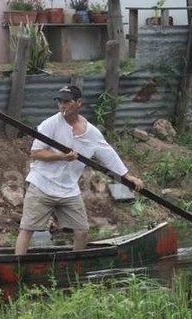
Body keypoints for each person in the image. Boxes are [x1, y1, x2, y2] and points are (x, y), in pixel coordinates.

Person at [15, 85, 143, 255]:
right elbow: (35, 153)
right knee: (26, 229)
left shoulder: (92, 133)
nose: (62, 105)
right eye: (60, 102)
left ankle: (76, 267)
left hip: (68, 189)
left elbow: (108, 155)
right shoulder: (50, 124)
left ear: (78, 103)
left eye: (67, 102)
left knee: (82, 231)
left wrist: (127, 176)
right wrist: (62, 157)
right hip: (42, 184)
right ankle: (17, 267)